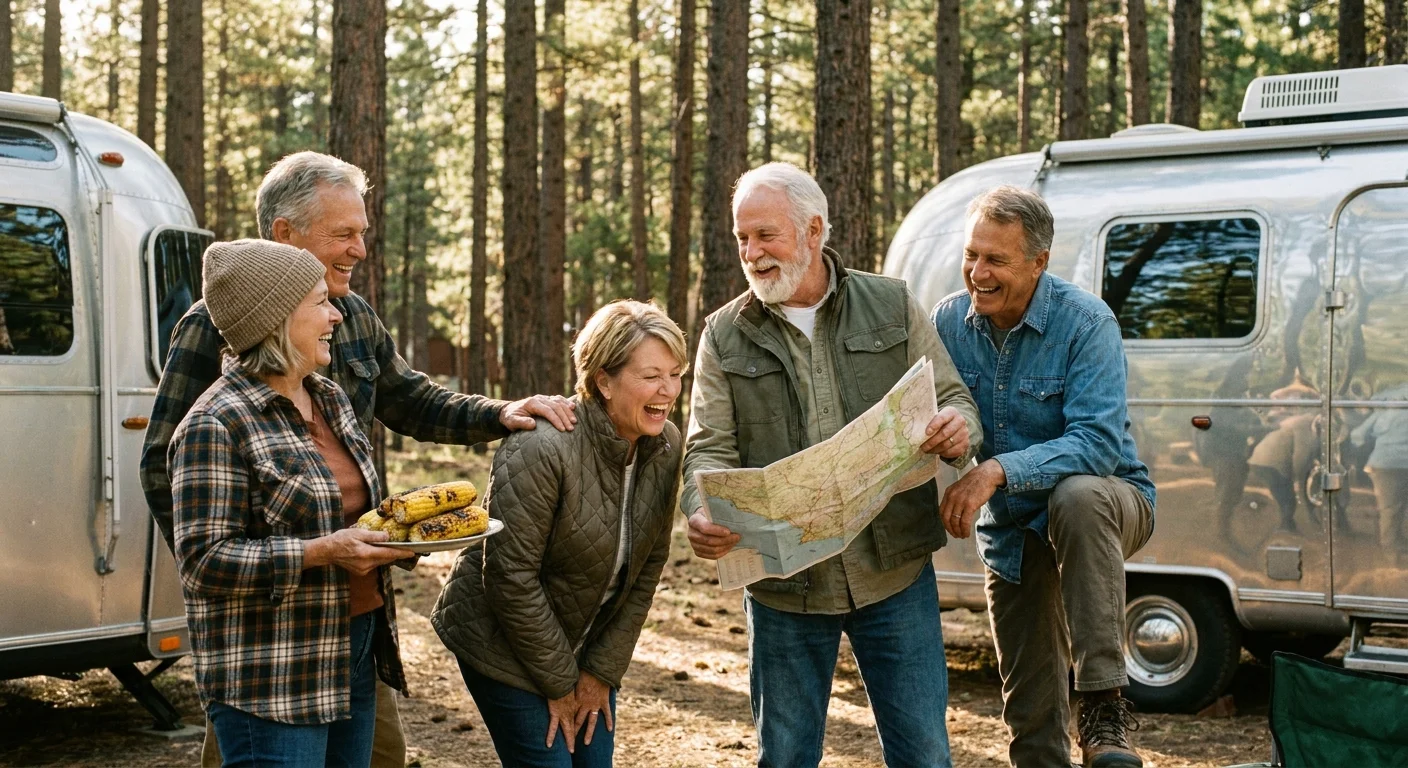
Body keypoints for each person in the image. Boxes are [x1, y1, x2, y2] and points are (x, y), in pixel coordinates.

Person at [139, 151, 576, 767]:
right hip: (271, 644)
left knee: (378, 757)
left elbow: (412, 400)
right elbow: (168, 467)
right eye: (343, 234)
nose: (360, 250)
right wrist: (227, 587)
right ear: (285, 235)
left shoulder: (347, 345)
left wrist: (497, 413)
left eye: (362, 232)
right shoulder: (214, 332)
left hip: (359, 622)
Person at [680, 162, 981, 768]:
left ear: (814, 230)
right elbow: (706, 447)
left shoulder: (892, 304)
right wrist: (699, 509)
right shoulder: (721, 334)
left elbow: (954, 400)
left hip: (892, 571)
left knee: (925, 756)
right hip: (784, 589)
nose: (751, 253)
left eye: (766, 235)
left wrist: (957, 431)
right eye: (742, 239)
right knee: (786, 758)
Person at [930, 185, 1157, 768]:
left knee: (1077, 496)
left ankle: (1104, 708)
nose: (977, 272)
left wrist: (997, 471)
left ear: (1038, 263)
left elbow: (1099, 445)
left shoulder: (1087, 322)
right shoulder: (949, 323)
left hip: (1109, 503)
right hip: (1010, 533)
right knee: (1032, 729)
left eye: (996, 260)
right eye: (972, 254)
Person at [170, 239, 416, 766]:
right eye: (319, 303)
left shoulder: (329, 398)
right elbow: (202, 563)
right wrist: (320, 552)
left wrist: (402, 538)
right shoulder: (216, 423)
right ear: (277, 319)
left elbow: (349, 514)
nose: (335, 315)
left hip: (356, 643)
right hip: (275, 673)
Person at [432, 300, 687, 767]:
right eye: (652, 376)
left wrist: (600, 672)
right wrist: (560, 682)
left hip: (582, 645)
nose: (667, 390)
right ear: (603, 380)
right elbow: (509, 577)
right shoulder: (541, 446)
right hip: (500, 641)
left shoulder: (666, 444)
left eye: (675, 374)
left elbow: (647, 569)